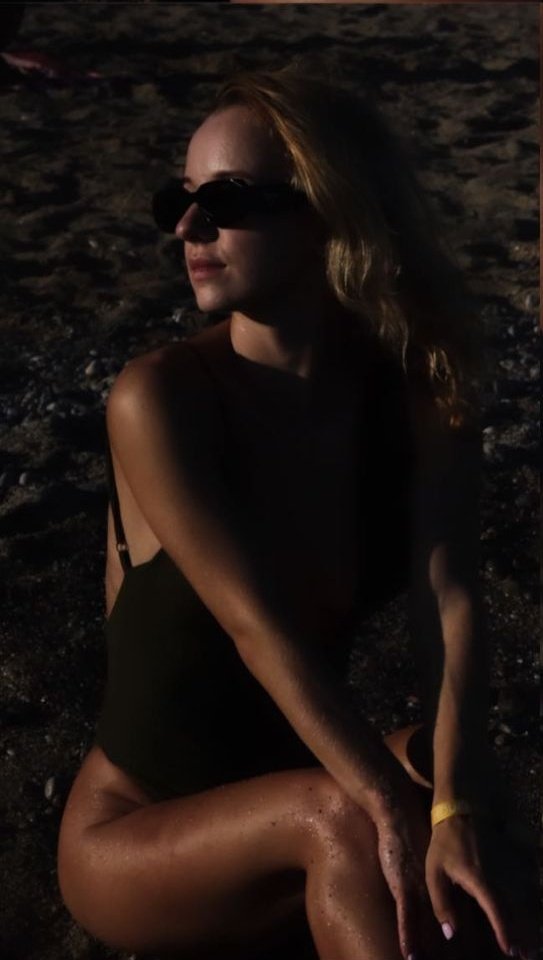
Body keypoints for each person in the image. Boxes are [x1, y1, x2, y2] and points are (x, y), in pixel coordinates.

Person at [57, 65, 536, 960]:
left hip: (296, 780)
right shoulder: (163, 398)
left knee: (458, 782)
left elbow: (450, 599)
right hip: (140, 835)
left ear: (330, 209)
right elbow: (258, 631)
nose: (188, 227)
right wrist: (387, 808)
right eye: (179, 200)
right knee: (352, 814)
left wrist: (452, 808)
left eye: (227, 199)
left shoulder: (415, 392)